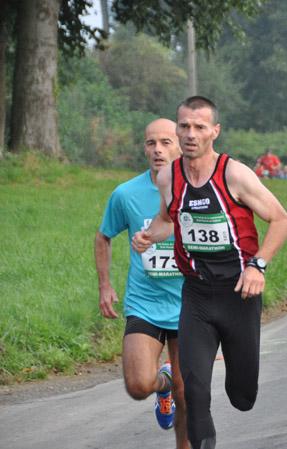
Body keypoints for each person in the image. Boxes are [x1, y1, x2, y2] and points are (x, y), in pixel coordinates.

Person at [131, 96, 287, 449]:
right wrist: (149, 235)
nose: (191, 134)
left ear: (214, 131)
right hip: (197, 294)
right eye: (184, 126)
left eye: (199, 127)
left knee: (242, 396)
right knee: (193, 388)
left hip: (239, 293)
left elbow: (282, 220)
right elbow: (167, 218)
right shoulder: (168, 177)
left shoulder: (234, 174)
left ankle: (239, 387)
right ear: (177, 129)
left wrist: (258, 265)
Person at [94, 118, 188, 449]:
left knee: (187, 393)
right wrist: (105, 286)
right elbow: (103, 236)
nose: (158, 150)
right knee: (138, 385)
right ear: (144, 148)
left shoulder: (198, 190)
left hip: (190, 304)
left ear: (181, 146)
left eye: (165, 142)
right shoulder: (126, 194)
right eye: (151, 143)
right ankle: (163, 384)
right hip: (145, 303)